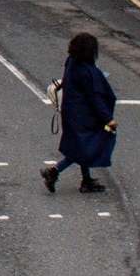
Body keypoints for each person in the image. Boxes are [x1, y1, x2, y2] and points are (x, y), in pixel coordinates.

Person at [42, 31, 117, 195]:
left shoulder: (71, 62)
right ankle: (54, 171)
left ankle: (86, 180)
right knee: (87, 147)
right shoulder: (87, 72)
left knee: (81, 145)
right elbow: (95, 97)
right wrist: (108, 119)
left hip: (70, 112)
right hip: (85, 116)